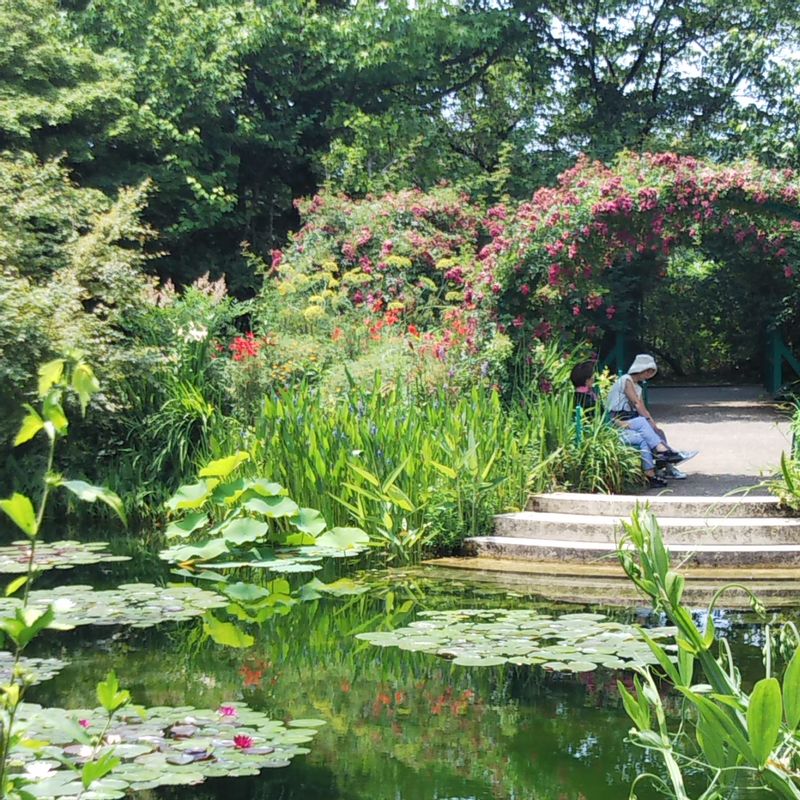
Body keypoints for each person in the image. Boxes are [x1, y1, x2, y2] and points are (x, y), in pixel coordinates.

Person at [570, 359, 691, 489]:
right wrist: (619, 424)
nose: (594, 377)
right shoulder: (586, 399)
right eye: (592, 376)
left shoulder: (587, 395)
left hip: (610, 426)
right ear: (586, 379)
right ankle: (651, 473)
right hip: (605, 433)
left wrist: (618, 422)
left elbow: (602, 417)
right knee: (640, 438)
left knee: (641, 422)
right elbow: (598, 421)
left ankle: (662, 451)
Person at [605, 354, 698, 481]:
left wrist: (653, 424)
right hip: (618, 419)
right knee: (644, 424)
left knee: (658, 433)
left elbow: (643, 407)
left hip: (631, 419)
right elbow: (637, 404)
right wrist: (648, 422)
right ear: (641, 369)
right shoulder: (626, 380)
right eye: (648, 371)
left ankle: (667, 464)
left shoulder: (638, 387)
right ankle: (667, 453)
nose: (649, 375)